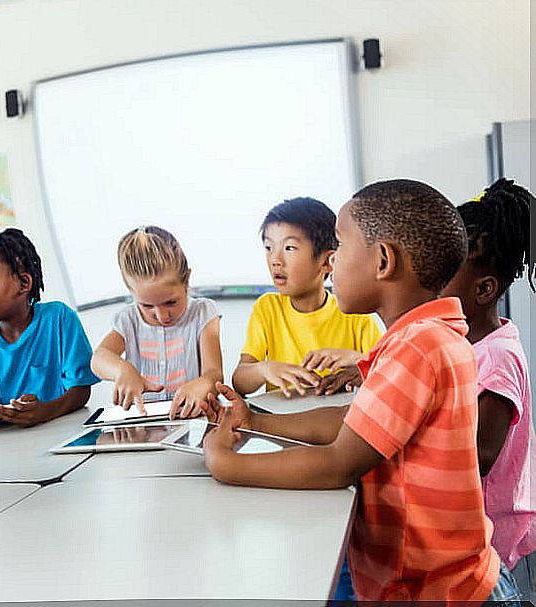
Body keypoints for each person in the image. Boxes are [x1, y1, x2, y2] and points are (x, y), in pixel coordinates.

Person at [202, 179, 518, 603]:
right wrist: (260, 421)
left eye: (340, 245)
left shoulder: (419, 347)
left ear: (383, 260)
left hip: (441, 592)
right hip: (442, 584)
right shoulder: (425, 336)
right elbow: (355, 422)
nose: (333, 262)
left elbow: (337, 464)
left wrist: (223, 464)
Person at [440, 178, 535, 600]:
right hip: (469, 530)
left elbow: (478, 455)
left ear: (483, 290)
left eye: (442, 279)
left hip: (488, 539)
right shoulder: (464, 343)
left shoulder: (496, 356)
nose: (429, 288)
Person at [231, 197, 382, 398]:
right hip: (280, 423)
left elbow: (386, 375)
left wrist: (358, 360)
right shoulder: (267, 308)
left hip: (337, 420)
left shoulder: (356, 313)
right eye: (269, 248)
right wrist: (263, 369)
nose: (275, 260)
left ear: (328, 261)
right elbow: (240, 382)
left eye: (289, 248)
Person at [0, 228, 98, 427]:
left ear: (23, 283)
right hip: (1, 444)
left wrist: (44, 412)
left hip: (58, 431)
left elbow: (81, 389)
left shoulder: (58, 318)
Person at [90, 225, 224, 418]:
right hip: (145, 422)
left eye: (170, 302)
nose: (162, 316)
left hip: (194, 420)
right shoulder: (128, 320)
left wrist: (203, 384)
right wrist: (122, 370)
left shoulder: (202, 313)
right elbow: (98, 359)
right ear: (131, 291)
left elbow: (215, 374)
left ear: (186, 281)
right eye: (147, 306)